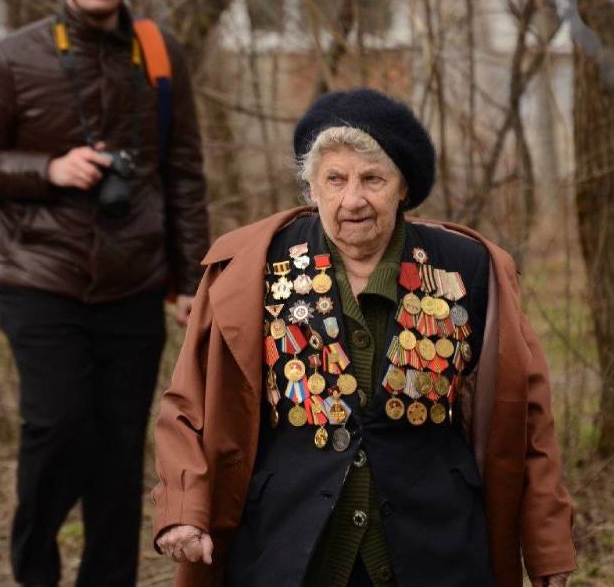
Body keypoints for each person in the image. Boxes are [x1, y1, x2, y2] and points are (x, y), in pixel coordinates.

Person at [151, 88, 575, 586]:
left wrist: (547, 546)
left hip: (437, 547)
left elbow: (527, 418)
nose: (353, 200)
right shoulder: (251, 266)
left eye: (373, 178)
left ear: (403, 188)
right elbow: (191, 402)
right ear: (312, 188)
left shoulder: (471, 268)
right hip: (286, 546)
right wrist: (183, 509)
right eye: (335, 179)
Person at [0, 0, 209, 585]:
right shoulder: (14, 57)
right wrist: (49, 169)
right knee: (59, 429)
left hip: (135, 281)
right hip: (40, 278)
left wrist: (191, 279)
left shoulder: (158, 54)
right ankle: (34, 569)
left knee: (120, 453)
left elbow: (183, 173)